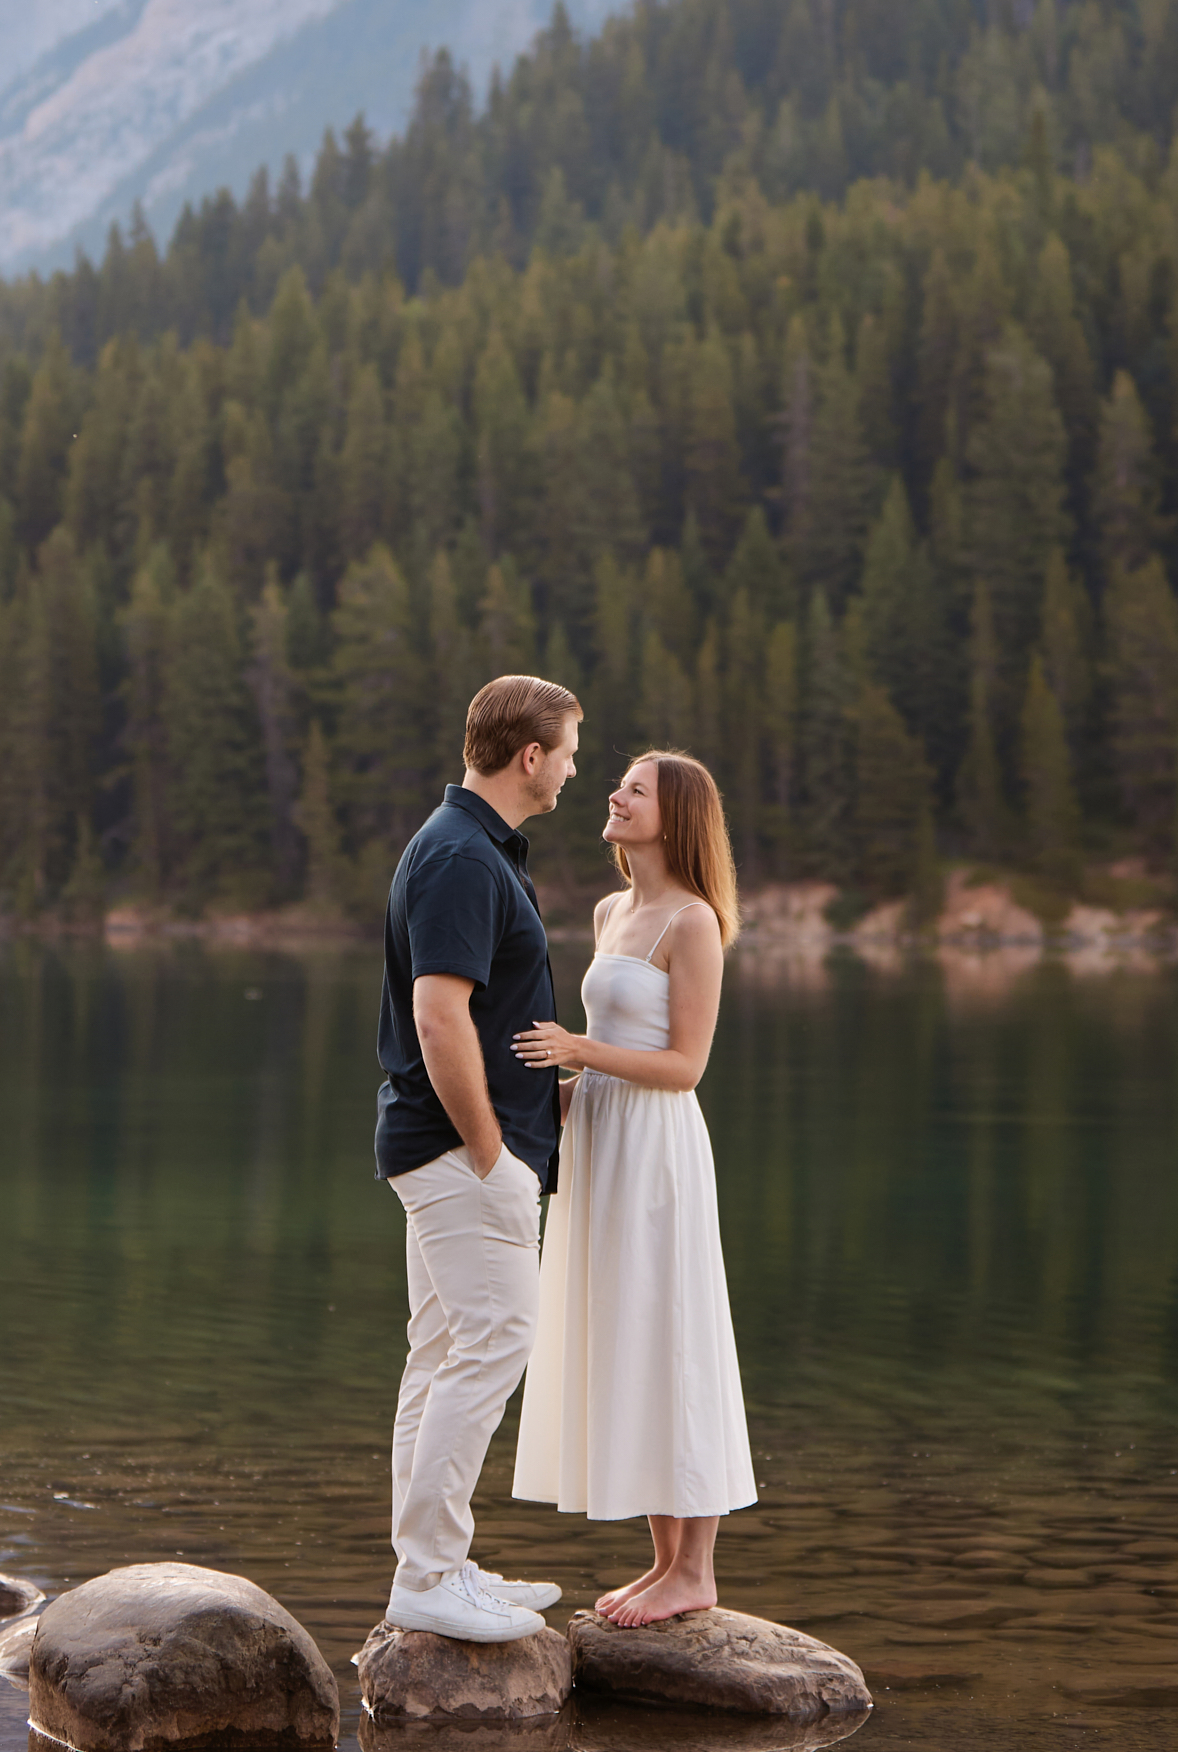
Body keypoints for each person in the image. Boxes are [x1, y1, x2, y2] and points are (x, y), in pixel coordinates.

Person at [510, 749, 755, 1625]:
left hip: (657, 1152)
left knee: (675, 1337)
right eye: (616, 782)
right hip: (604, 1140)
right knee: (631, 1338)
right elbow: (618, 1046)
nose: (611, 795)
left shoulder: (691, 921)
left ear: (674, 815)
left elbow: (684, 1066)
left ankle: (696, 1571)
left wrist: (577, 1050)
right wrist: (555, 1095)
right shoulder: (615, 908)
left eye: (634, 790)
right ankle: (662, 1564)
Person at [375, 673, 582, 1644]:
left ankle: (437, 1563)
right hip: (464, 1151)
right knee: (494, 1342)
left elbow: (485, 1012)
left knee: (444, 1351)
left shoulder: (475, 847)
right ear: (528, 754)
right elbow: (438, 1011)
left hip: (453, 1145)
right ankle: (425, 1575)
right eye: (570, 749)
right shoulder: (460, 854)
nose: (575, 769)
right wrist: (493, 1147)